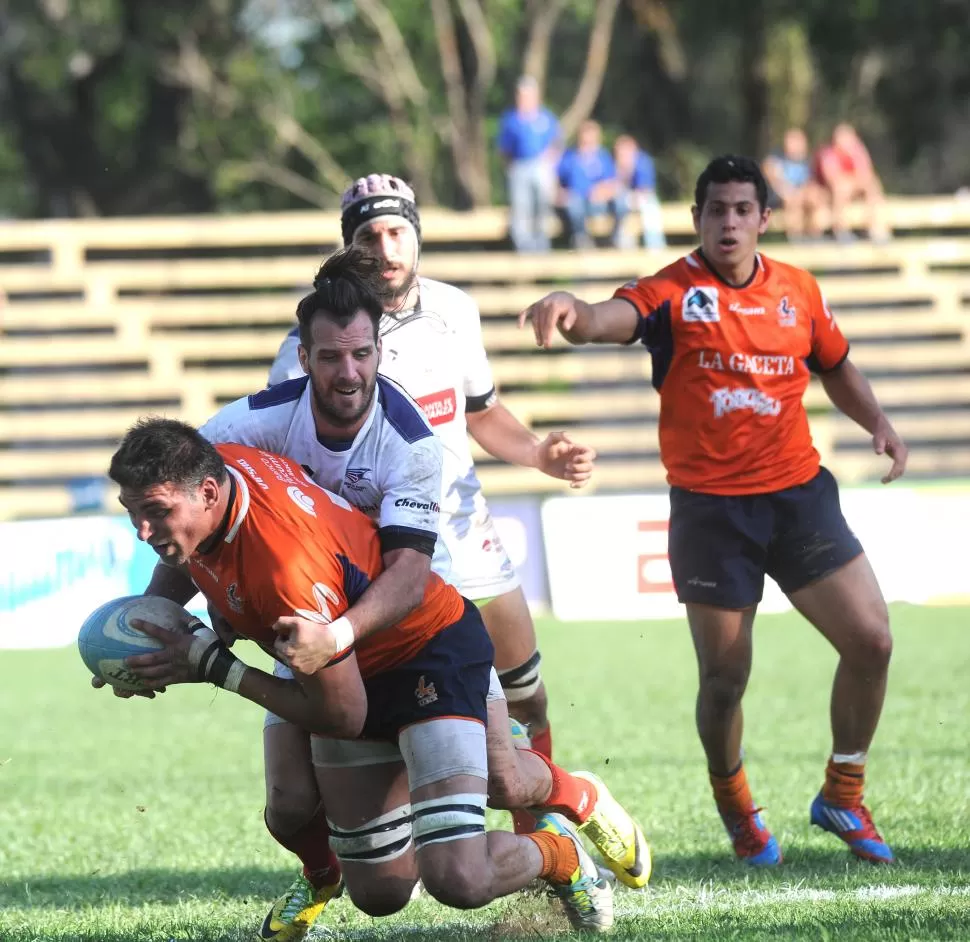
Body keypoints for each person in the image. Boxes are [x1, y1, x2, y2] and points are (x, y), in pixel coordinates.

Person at [204, 245, 647, 939]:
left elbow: (408, 578)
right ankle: (323, 876)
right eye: (328, 358)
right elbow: (188, 489)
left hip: (410, 632)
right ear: (303, 357)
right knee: (299, 815)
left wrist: (331, 636)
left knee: (501, 783)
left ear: (379, 350)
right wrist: (174, 600)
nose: (346, 373)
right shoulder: (255, 422)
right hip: (320, 632)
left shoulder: (408, 441)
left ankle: (571, 808)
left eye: (359, 355)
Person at [519, 155, 907, 867]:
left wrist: (877, 422)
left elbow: (836, 363)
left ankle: (843, 793)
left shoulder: (799, 290)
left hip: (798, 497)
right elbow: (613, 318)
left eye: (741, 209)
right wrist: (571, 312)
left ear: (764, 218)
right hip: (711, 514)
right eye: (714, 210)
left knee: (872, 641)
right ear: (697, 218)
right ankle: (737, 808)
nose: (728, 222)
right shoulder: (672, 291)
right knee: (726, 680)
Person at [102, 420, 616, 933]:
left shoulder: (284, 568)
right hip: (329, 657)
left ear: (208, 493)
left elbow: (343, 715)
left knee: (461, 874)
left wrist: (213, 666)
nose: (144, 531)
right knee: (376, 891)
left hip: (422, 653)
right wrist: (140, 636)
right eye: (134, 514)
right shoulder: (221, 466)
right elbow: (188, 554)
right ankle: (333, 870)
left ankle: (559, 850)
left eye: (157, 513)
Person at [496, 76, 561, 252]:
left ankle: (541, 246)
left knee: (542, 206)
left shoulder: (546, 118)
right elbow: (503, 149)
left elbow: (557, 143)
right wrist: (510, 168)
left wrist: (550, 163)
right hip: (519, 166)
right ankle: (523, 248)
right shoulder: (511, 120)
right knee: (521, 208)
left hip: (541, 166)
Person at [814, 123, 890, 243]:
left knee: (872, 184)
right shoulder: (828, 153)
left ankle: (877, 229)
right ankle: (841, 231)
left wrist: (854, 180)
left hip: (852, 190)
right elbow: (832, 179)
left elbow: (867, 172)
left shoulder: (857, 150)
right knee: (841, 188)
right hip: (828, 194)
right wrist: (852, 180)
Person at [555, 121, 624, 249]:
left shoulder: (603, 157)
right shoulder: (569, 157)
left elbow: (613, 182)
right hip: (578, 203)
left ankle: (616, 236)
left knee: (622, 199)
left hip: (601, 202)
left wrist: (602, 191)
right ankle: (581, 238)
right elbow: (558, 183)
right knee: (573, 202)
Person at [762, 128, 825, 242]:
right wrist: (791, 192)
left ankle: (815, 236)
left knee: (814, 197)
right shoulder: (776, 159)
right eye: (791, 141)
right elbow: (775, 181)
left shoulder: (807, 161)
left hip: (800, 194)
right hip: (778, 198)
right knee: (793, 199)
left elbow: (810, 182)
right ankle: (796, 237)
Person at [614, 135, 666, 251]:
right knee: (620, 207)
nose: (620, 155)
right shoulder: (614, 164)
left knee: (650, 209)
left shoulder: (643, 161)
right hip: (624, 201)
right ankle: (625, 248)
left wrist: (627, 169)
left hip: (643, 198)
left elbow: (645, 190)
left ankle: (656, 248)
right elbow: (613, 187)